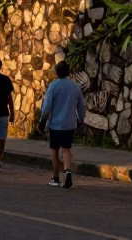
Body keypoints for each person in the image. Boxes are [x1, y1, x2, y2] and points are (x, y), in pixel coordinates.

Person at [39, 60, 85, 188]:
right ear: (68, 72)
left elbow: (47, 105)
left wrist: (42, 120)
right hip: (70, 123)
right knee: (67, 149)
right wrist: (81, 119)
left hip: (55, 124)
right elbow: (81, 105)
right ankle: (68, 172)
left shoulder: (53, 86)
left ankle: (55, 177)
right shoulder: (74, 86)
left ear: (57, 72)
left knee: (54, 150)